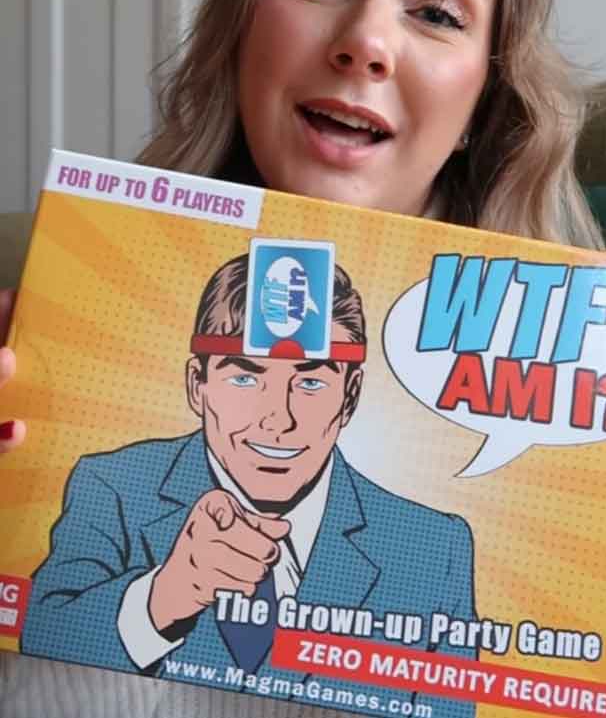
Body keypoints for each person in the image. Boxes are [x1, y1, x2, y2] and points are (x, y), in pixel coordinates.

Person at [0, 0, 606, 716]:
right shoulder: (98, 476)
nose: (366, 41)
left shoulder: (447, 535)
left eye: (438, 12)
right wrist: (157, 598)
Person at [19, 252, 475, 718]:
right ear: (197, 386)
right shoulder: (113, 487)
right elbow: (38, 632)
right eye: (244, 377)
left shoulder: (434, 547)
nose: (278, 419)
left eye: (311, 382)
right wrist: (167, 594)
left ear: (350, 395)